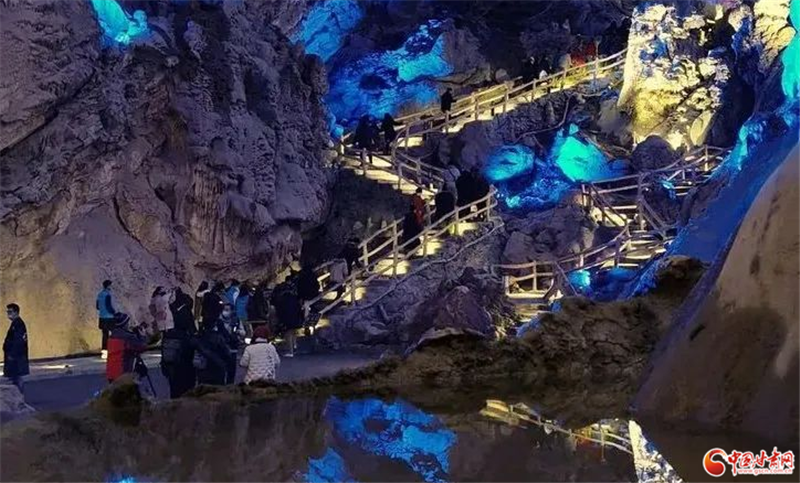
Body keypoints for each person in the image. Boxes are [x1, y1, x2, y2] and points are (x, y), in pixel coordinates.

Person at [106, 313, 147, 384]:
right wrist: (142, 336)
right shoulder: (128, 337)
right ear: (125, 324)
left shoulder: (112, 336)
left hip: (111, 373)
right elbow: (142, 347)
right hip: (123, 373)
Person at [194, 318, 232, 386]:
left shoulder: (198, 337)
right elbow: (227, 353)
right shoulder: (218, 337)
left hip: (203, 371)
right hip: (217, 369)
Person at [3, 304, 28, 392]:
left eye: (10, 312)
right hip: (14, 357)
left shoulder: (18, 324)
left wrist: (12, 354)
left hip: (16, 358)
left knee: (17, 379)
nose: (8, 314)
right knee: (15, 378)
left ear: (16, 312)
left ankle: (20, 395)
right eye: (7, 312)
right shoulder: (15, 324)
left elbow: (18, 341)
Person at [272, 287, 303, 357]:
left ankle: (290, 351)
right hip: (296, 319)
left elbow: (279, 311)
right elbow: (299, 309)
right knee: (293, 333)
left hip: (287, 320)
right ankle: (294, 346)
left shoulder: (281, 300)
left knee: (288, 334)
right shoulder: (294, 298)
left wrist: (279, 321)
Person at [217, 303, 243, 384]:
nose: (226, 312)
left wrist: (238, 332)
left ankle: (230, 386)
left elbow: (243, 332)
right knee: (220, 370)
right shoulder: (218, 321)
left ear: (232, 311)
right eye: (225, 309)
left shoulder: (236, 320)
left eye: (228, 310)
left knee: (231, 371)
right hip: (221, 348)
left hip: (232, 349)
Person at [96, 280, 119, 360]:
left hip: (102, 317)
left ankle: (104, 352)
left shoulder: (99, 294)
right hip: (109, 317)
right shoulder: (108, 294)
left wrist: (103, 310)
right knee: (114, 333)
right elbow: (109, 306)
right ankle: (114, 350)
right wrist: (114, 312)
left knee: (105, 335)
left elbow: (97, 307)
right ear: (108, 286)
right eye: (111, 285)